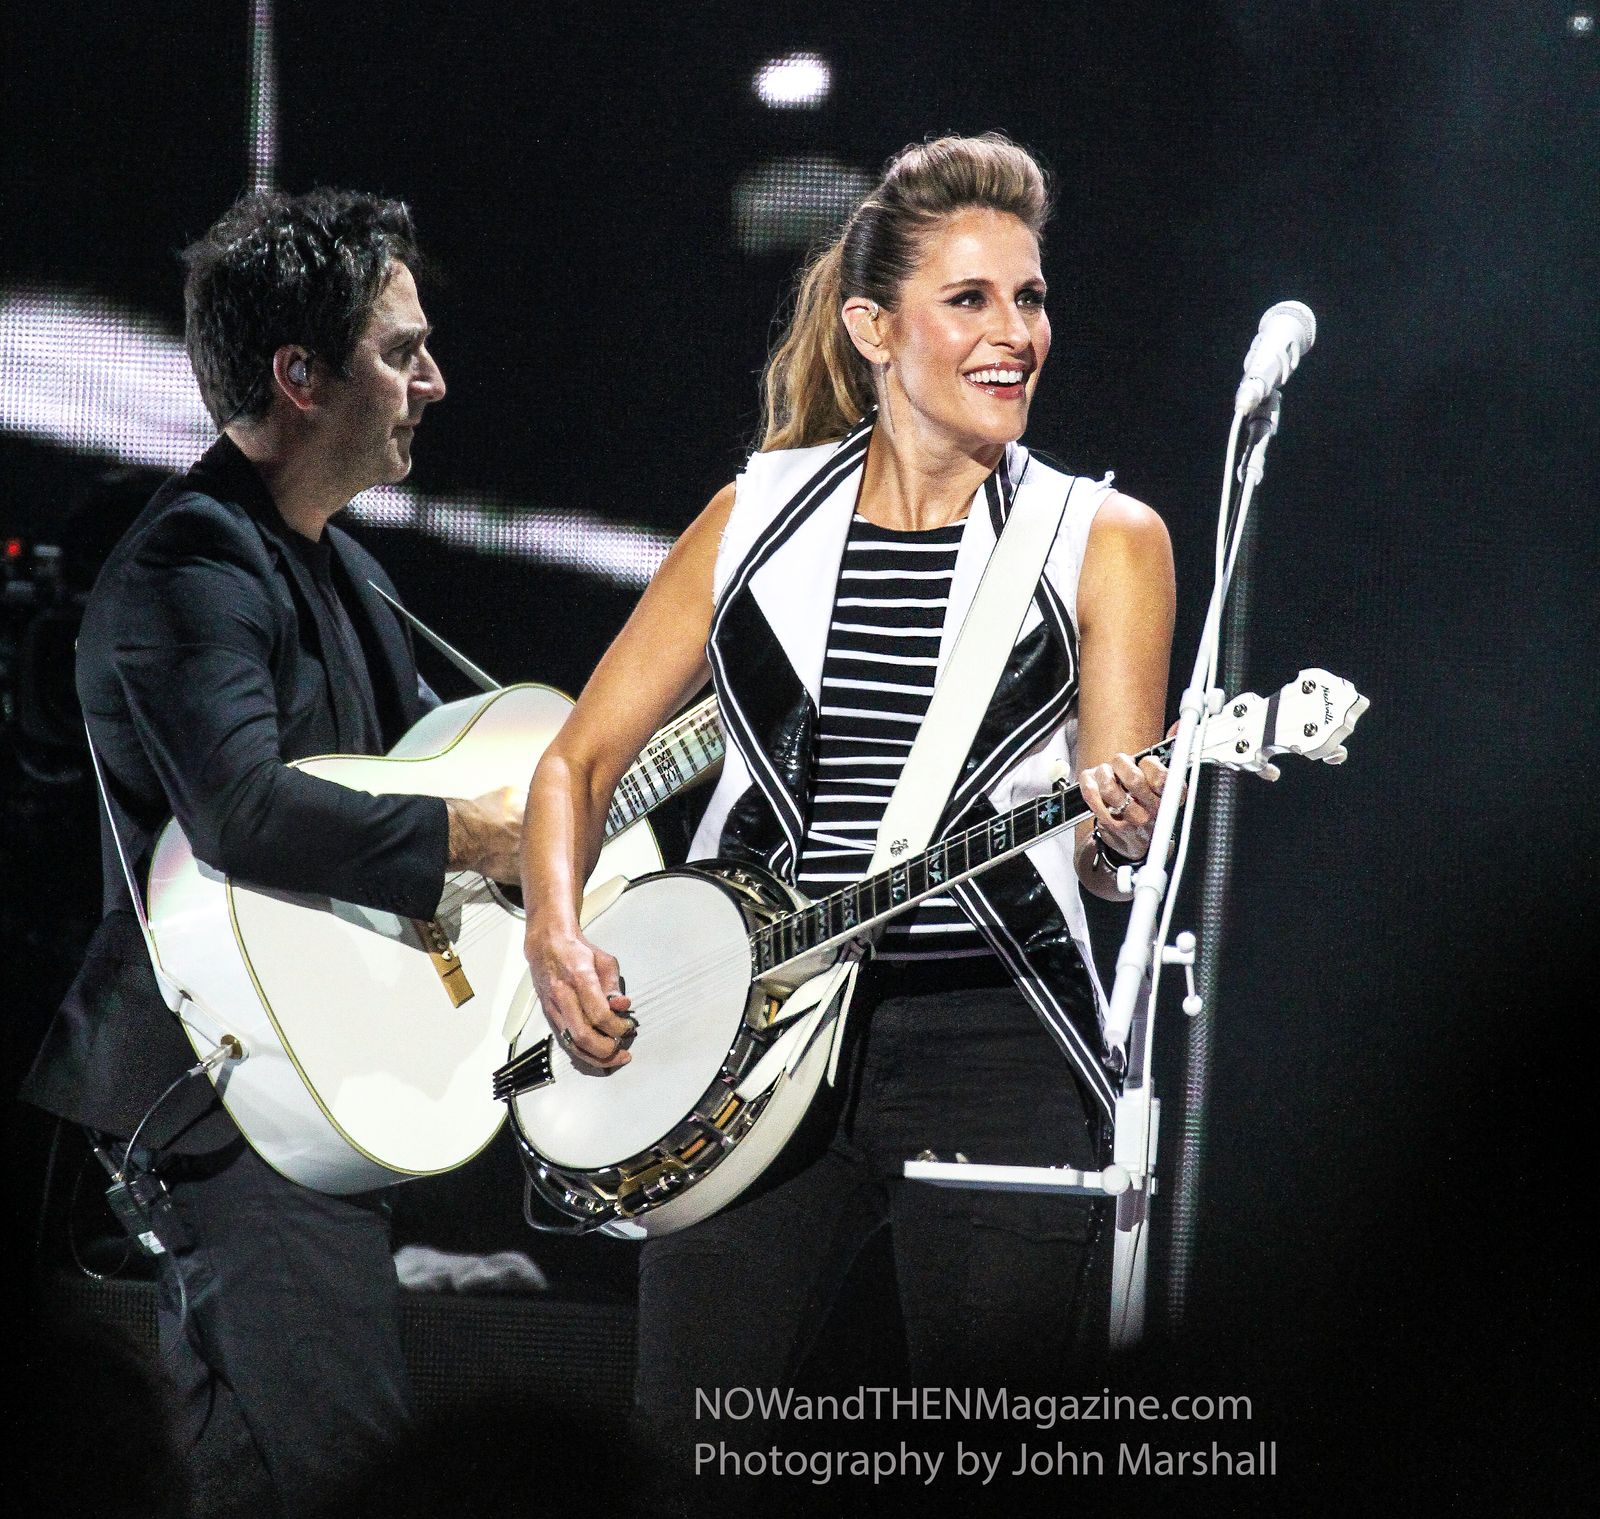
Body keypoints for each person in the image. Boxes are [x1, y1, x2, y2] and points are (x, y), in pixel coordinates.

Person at [520, 135, 1174, 1461]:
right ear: (875, 330)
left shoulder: (1106, 540)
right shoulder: (755, 517)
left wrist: (1122, 834)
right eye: (970, 299)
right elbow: (573, 764)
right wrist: (554, 933)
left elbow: (1112, 861)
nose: (1015, 335)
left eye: (1031, 298)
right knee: (686, 1458)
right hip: (749, 1038)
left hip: (998, 1037)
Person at [21, 188, 522, 1517]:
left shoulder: (347, 571)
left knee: (239, 1484)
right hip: (231, 1103)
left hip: (298, 1094)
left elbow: (435, 764)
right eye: (401, 351)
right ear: (299, 376)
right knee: (358, 1477)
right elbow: (240, 810)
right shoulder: (192, 562)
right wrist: (479, 835)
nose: (434, 382)